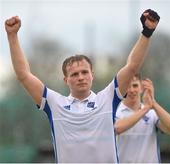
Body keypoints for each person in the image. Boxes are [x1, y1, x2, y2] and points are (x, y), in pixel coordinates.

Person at [5, 9, 160, 163]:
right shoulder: (54, 103)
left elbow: (132, 66)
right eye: (74, 74)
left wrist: (146, 32)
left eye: (84, 72)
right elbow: (23, 75)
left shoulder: (107, 98)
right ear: (66, 80)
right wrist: (12, 36)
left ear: (92, 75)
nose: (80, 77)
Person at [115, 74, 170, 163]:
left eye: (135, 85)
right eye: (127, 86)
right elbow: (117, 128)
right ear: (121, 89)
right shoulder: (115, 111)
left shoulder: (152, 113)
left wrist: (154, 104)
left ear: (141, 88)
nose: (131, 90)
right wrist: (145, 109)